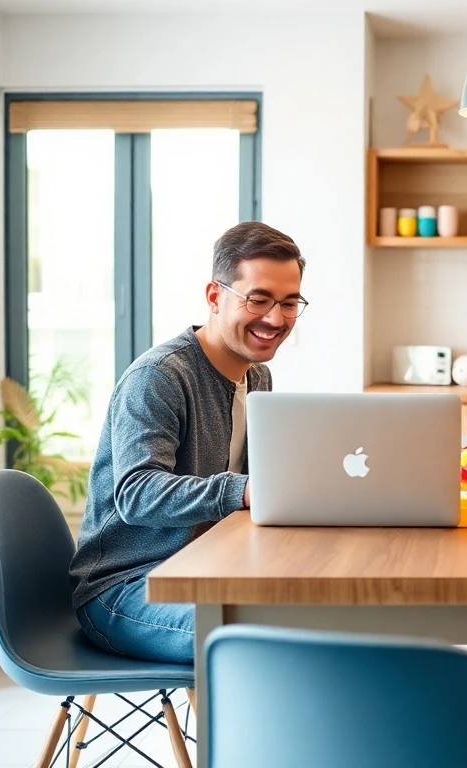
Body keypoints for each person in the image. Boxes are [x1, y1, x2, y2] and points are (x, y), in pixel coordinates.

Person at [68, 221, 308, 664]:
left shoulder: (257, 375)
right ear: (215, 297)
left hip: (210, 569)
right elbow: (136, 494)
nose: (275, 319)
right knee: (259, 640)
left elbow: (260, 485)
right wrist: (244, 490)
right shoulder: (159, 377)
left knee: (320, 615)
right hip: (127, 587)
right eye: (258, 299)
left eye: (289, 303)